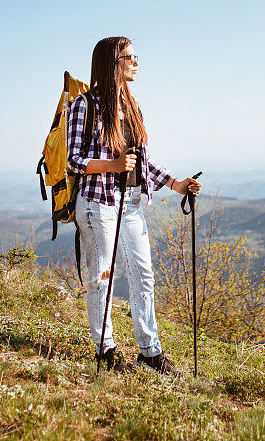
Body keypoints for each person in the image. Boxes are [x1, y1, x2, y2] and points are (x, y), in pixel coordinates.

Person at [67, 36, 201, 375]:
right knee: (103, 277)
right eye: (130, 56)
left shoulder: (133, 105)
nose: (136, 62)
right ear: (114, 62)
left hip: (130, 205)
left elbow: (142, 160)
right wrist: (111, 165)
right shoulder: (85, 105)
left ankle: (150, 352)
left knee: (144, 276)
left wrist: (176, 184)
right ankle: (106, 351)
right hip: (97, 205)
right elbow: (74, 160)